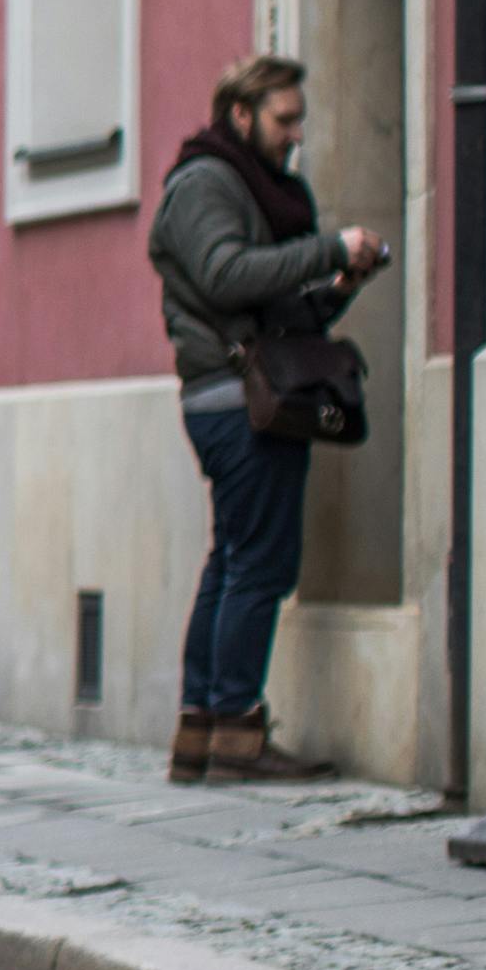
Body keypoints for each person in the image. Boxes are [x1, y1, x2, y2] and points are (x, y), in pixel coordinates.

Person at [150, 53, 386, 785]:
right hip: (233, 399)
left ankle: (203, 729)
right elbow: (225, 274)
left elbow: (282, 310)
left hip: (253, 391)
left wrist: (339, 283)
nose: (295, 135)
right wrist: (324, 247)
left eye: (298, 119)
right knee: (259, 562)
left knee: (233, 558)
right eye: (284, 119)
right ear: (242, 115)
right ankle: (236, 728)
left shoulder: (257, 187)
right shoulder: (204, 184)